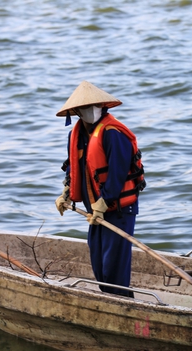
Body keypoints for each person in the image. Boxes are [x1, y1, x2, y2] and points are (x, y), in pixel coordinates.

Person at [54, 81, 145, 297]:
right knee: (99, 266)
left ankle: (124, 305)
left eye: (96, 106)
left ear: (104, 106)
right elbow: (73, 168)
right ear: (75, 112)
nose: (92, 110)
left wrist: (103, 204)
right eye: (86, 107)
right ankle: (112, 302)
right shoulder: (76, 136)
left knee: (114, 269)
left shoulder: (114, 133)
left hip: (118, 211)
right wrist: (65, 193)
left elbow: (118, 172)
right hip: (95, 212)